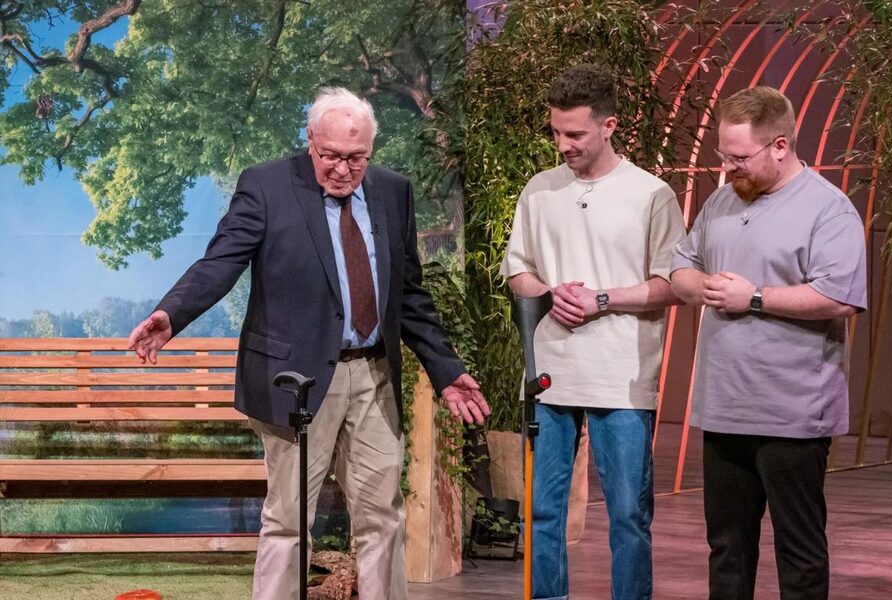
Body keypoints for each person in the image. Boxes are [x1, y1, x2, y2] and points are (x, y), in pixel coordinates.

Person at [127, 87, 489, 600]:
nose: (343, 169)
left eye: (356, 158)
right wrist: (172, 313)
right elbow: (222, 261)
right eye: (332, 157)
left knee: (382, 514)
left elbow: (408, 294)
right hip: (295, 379)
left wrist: (446, 369)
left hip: (374, 375)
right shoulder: (267, 185)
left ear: (371, 151)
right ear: (311, 141)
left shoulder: (392, 191)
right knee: (290, 518)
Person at [670, 85, 867, 600]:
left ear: (779, 146)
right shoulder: (720, 200)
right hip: (724, 407)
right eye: (723, 156)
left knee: (798, 552)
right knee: (727, 547)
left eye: (739, 157)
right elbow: (681, 266)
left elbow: (839, 297)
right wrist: (700, 288)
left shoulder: (829, 209)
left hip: (794, 413)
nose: (728, 169)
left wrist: (752, 296)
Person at [501, 63, 685, 600]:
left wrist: (601, 299)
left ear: (609, 126)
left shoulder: (651, 194)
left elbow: (671, 283)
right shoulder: (539, 189)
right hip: (549, 372)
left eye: (575, 133)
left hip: (621, 378)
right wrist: (547, 291)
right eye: (556, 132)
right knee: (542, 511)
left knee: (629, 514)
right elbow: (518, 270)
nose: (564, 144)